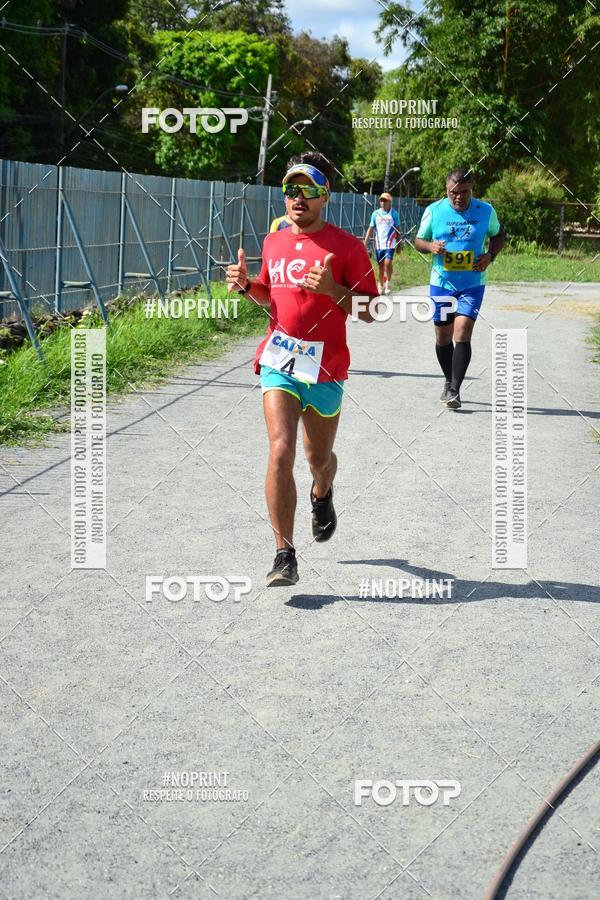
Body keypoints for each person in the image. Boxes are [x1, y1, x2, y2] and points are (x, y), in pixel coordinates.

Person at [226, 151, 379, 586]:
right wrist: (245, 286)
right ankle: (284, 554)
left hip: (326, 367)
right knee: (280, 449)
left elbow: (372, 310)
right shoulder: (274, 240)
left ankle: (322, 491)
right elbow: (269, 297)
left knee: (318, 458)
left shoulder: (348, 247)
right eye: (290, 189)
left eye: (307, 190)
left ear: (324, 196)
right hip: (279, 359)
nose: (297, 197)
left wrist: (334, 290)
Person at [415, 168, 506, 409]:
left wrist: (490, 255)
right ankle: (448, 379)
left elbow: (499, 235)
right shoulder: (434, 211)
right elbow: (418, 240)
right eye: (454, 192)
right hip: (442, 284)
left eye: (464, 192)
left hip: (472, 284)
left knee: (463, 332)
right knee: (443, 337)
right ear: (446, 190)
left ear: (471, 190)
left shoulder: (485, 211)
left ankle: (455, 390)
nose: (459, 197)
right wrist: (431, 246)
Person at [363, 192, 403, 295]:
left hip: (390, 243)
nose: (383, 202)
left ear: (389, 202)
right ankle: (380, 284)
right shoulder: (375, 214)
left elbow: (398, 230)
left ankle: (388, 282)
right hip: (379, 244)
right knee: (380, 266)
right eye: (381, 200)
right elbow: (370, 228)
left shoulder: (394, 214)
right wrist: (365, 243)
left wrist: (399, 244)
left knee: (387, 263)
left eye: (385, 200)